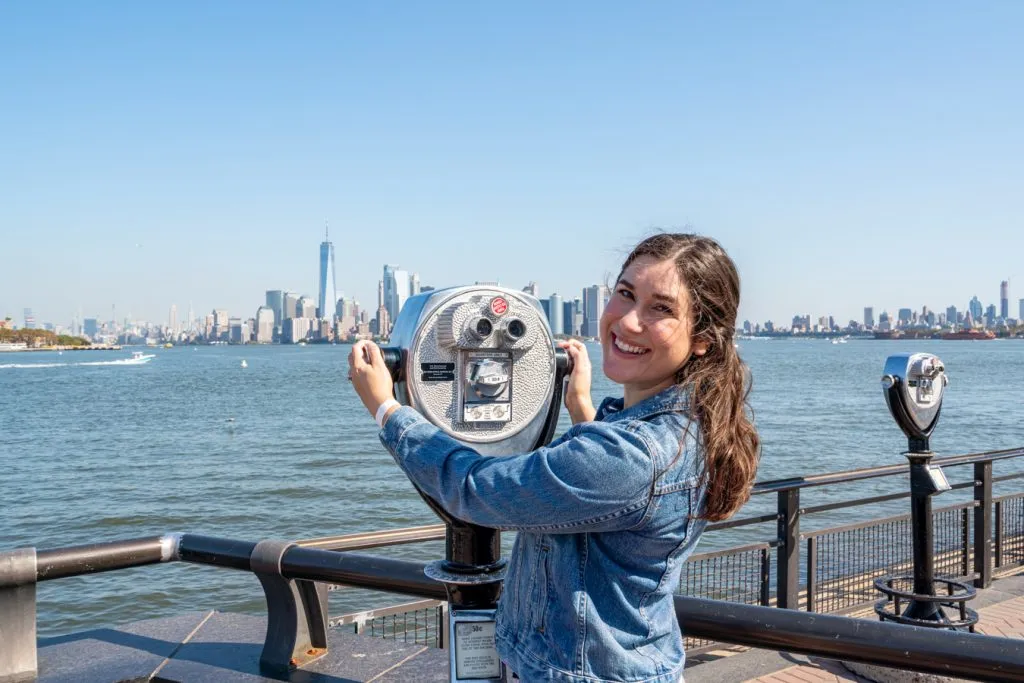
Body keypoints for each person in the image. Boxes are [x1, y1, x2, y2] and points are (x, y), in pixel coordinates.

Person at [348, 233, 760, 683]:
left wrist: (388, 410)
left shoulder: (633, 455)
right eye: (625, 294)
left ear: (703, 339)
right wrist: (581, 407)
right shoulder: (681, 428)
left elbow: (477, 491)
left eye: (660, 308)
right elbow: (602, 503)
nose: (628, 322)